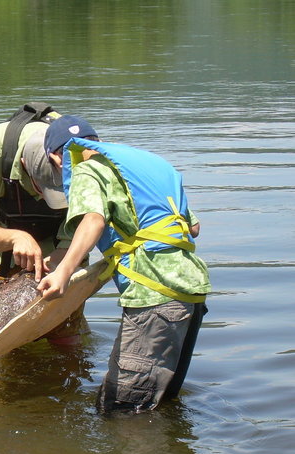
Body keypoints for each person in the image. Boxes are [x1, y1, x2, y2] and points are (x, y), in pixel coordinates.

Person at [37, 115, 211, 413]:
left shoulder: (86, 170)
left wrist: (63, 271)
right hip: (190, 292)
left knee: (123, 411)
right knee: (162, 404)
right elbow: (193, 228)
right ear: (99, 142)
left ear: (56, 157)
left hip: (152, 293)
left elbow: (93, 220)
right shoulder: (149, 167)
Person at [0, 105, 88, 344]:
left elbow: (89, 224)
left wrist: (58, 261)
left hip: (63, 246)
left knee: (66, 335)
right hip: (2, 252)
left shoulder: (84, 159)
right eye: (43, 190)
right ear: (25, 164)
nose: (48, 200)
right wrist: (15, 238)